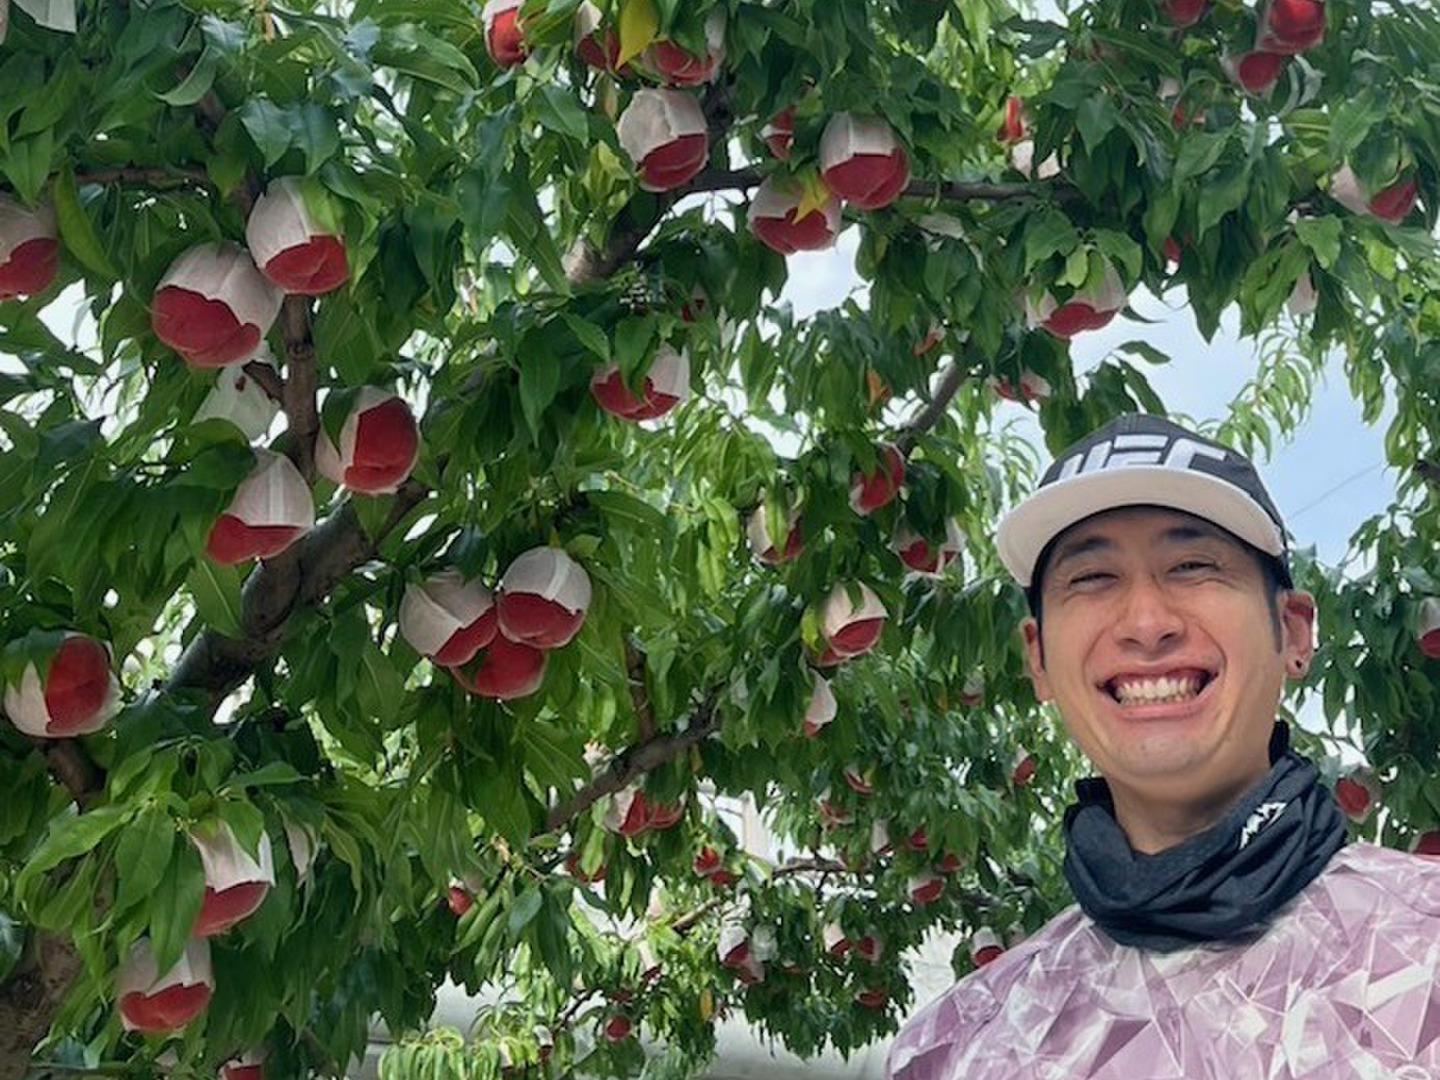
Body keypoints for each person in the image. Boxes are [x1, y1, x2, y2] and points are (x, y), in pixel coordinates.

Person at [887, 414, 1439, 1080]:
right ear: (1038, 659)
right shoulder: (960, 1048)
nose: (1147, 624)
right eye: (1092, 577)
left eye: (1193, 566)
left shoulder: (1425, 946)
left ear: (1293, 632)